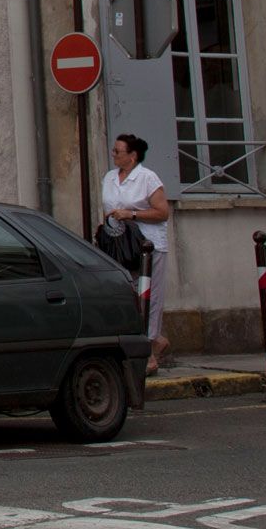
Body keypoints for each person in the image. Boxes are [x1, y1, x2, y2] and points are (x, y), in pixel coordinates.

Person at [101, 133, 172, 372]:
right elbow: (109, 209)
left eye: (118, 151)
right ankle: (154, 341)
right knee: (128, 294)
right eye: (113, 150)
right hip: (120, 245)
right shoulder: (110, 178)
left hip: (147, 246)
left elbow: (162, 212)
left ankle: (150, 351)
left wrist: (131, 214)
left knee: (149, 298)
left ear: (132, 156)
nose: (113, 154)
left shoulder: (147, 178)